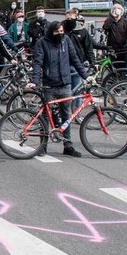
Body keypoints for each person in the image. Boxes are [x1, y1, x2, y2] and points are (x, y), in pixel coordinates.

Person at [26, 21, 90, 158]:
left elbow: (75, 59)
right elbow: (38, 63)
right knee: (45, 117)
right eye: (57, 32)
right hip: (49, 85)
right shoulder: (42, 42)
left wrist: (85, 76)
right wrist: (35, 81)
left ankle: (68, 145)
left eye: (62, 31)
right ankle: (42, 146)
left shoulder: (66, 40)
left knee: (66, 115)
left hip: (65, 84)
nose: (60, 34)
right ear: (51, 32)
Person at [102, 4, 127, 68]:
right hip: (112, 49)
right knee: (113, 67)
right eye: (115, 9)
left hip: (123, 48)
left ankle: (123, 76)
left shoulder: (126, 21)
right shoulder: (109, 20)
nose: (117, 10)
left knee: (123, 67)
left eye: (118, 9)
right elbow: (105, 27)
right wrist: (112, 18)